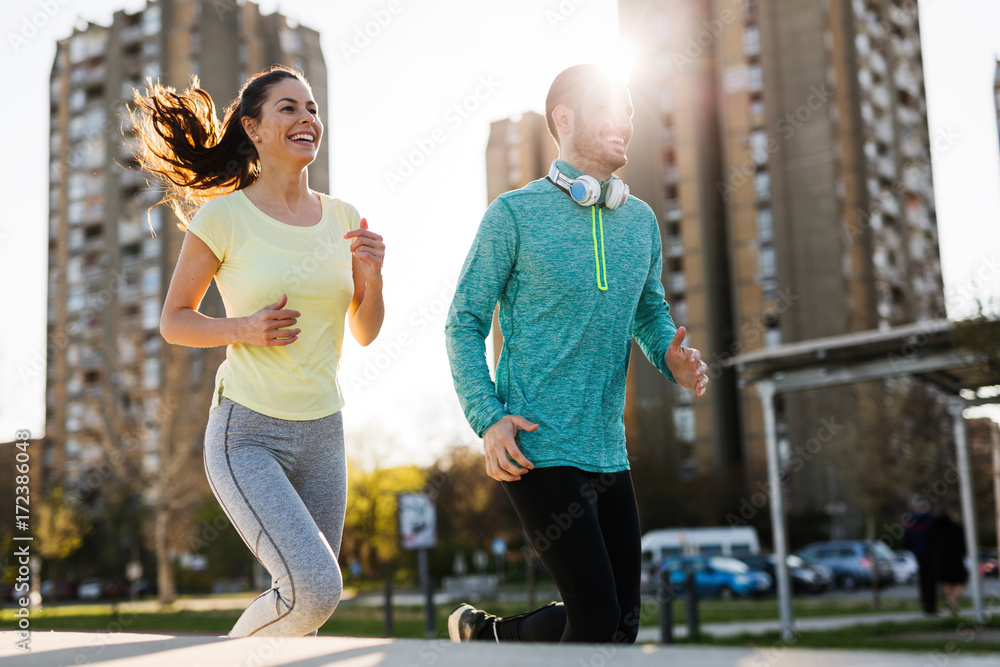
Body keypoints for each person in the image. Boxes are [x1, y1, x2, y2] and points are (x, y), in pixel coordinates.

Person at [444, 64, 709, 644]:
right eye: (611, 110)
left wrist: (672, 358)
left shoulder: (639, 222)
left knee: (621, 625)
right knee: (594, 620)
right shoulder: (513, 216)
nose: (626, 124)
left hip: (608, 450)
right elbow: (462, 322)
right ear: (564, 119)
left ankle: (488, 638)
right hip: (535, 445)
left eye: (630, 114)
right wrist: (488, 420)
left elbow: (649, 311)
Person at [136, 65, 385, 637]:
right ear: (253, 127)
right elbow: (174, 321)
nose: (307, 120)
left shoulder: (343, 217)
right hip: (247, 433)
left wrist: (372, 276)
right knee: (314, 591)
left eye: (313, 109)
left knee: (306, 613)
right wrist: (243, 328)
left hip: (324, 429)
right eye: (290, 109)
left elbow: (366, 330)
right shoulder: (223, 217)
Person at [902, 496, 937, 615]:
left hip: (917, 554)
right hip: (930, 554)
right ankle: (931, 606)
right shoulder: (930, 520)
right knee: (931, 580)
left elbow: (905, 540)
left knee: (922, 580)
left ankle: (925, 605)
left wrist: (913, 550)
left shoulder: (910, 521)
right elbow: (936, 538)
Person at [932, 509, 969, 617]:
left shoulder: (935, 529)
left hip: (940, 559)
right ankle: (953, 601)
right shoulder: (957, 528)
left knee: (946, 581)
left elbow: (930, 544)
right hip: (956, 558)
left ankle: (950, 601)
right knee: (960, 581)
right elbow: (964, 543)